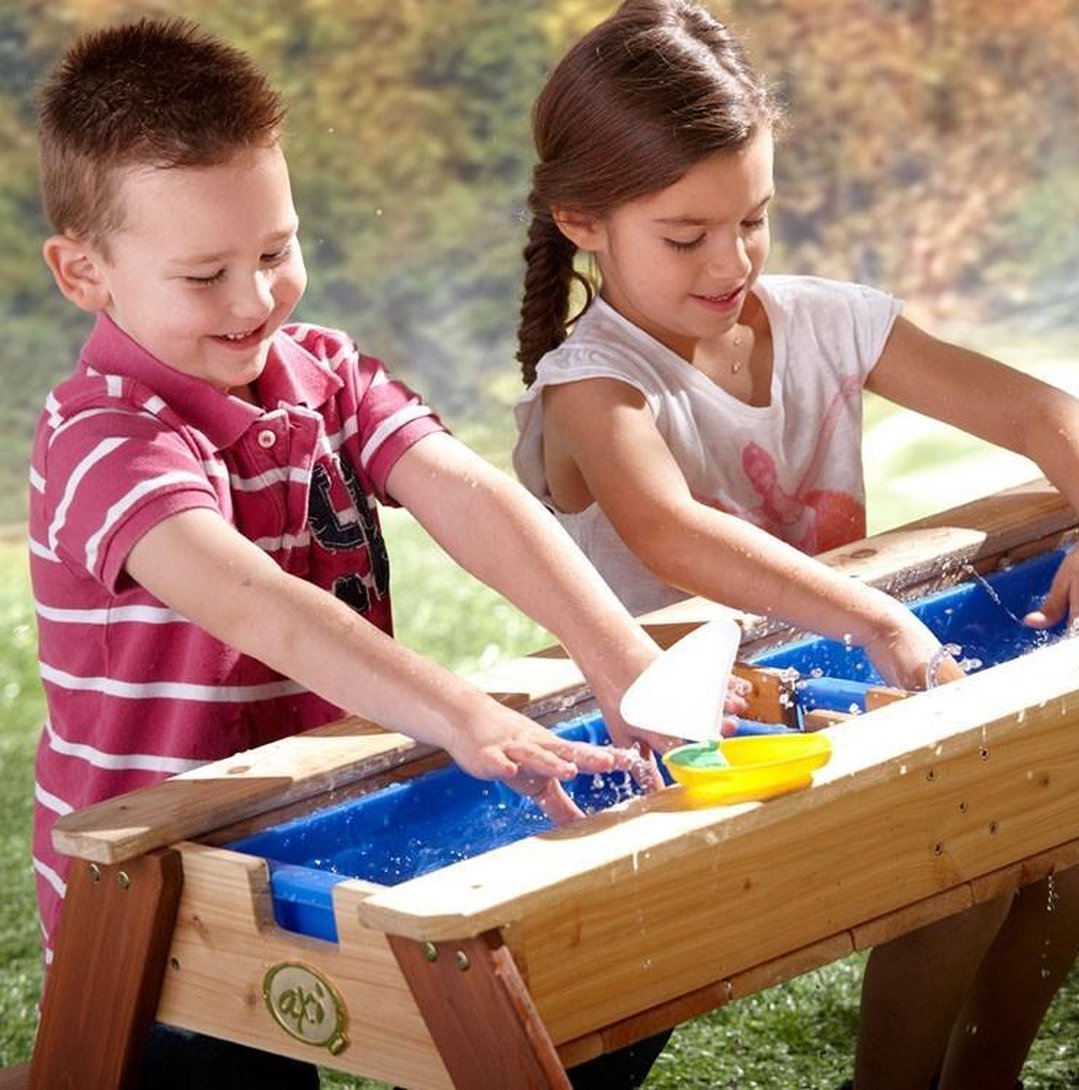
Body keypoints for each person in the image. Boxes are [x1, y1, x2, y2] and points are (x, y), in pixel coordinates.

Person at [30, 16, 698, 1089]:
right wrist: (469, 716)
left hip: (320, 821)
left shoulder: (326, 371)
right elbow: (263, 606)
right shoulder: (104, 434)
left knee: (604, 991)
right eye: (204, 276)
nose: (255, 300)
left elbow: (466, 490)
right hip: (160, 893)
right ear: (84, 271)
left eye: (275, 250)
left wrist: (620, 655)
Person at [512, 2, 1079, 1088]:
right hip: (678, 742)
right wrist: (881, 617)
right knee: (976, 836)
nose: (733, 262)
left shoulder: (825, 322)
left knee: (1072, 826)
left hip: (832, 699)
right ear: (581, 221)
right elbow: (672, 533)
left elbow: (1050, 415)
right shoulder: (591, 388)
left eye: (753, 219)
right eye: (686, 235)